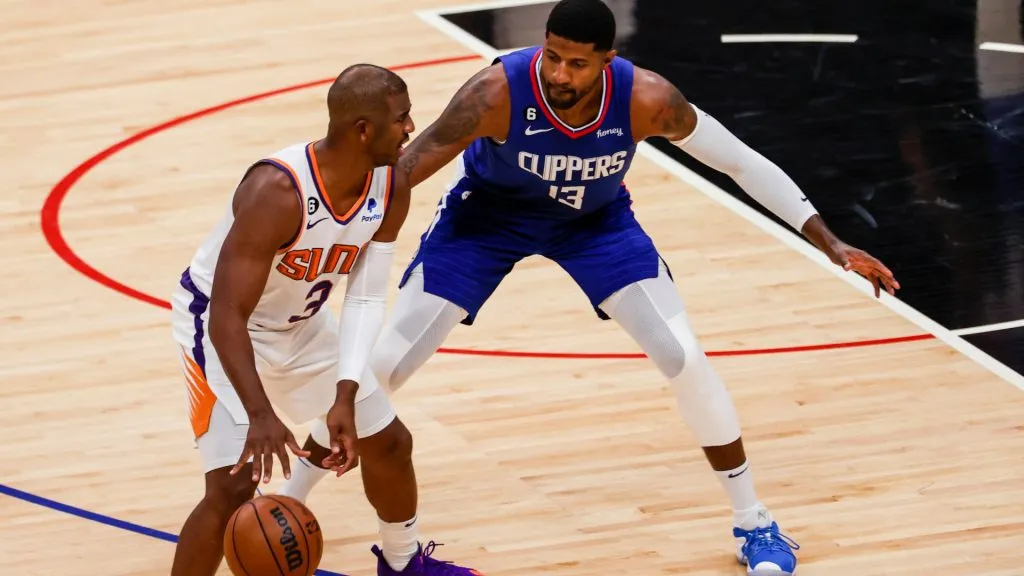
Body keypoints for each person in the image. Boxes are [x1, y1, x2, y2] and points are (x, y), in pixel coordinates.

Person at [280, 1, 901, 575]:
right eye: (552, 55)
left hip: (595, 224)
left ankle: (754, 522)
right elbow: (406, 167)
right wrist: (330, 238)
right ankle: (287, 503)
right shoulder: (496, 92)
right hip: (486, 220)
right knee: (382, 366)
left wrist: (832, 243)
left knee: (682, 357)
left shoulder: (648, 99)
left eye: (577, 63)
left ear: (608, 61)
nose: (559, 72)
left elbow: (739, 161)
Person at [168, 63, 439, 576]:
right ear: (363, 129)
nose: (410, 128)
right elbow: (226, 312)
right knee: (231, 487)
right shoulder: (277, 191)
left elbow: (362, 299)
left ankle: (405, 566)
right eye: (401, 118)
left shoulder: (390, 186)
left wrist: (344, 392)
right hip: (221, 327)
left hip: (302, 326)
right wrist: (260, 412)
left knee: (390, 442)